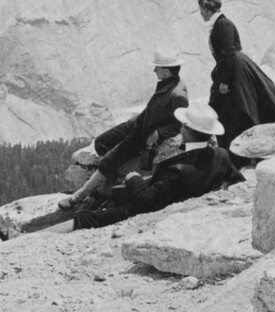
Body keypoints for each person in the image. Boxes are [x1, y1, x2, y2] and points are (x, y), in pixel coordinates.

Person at [47, 101, 244, 232]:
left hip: (147, 210)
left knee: (86, 218)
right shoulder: (222, 155)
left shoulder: (179, 170)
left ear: (189, 131)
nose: (181, 128)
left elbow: (145, 201)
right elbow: (238, 183)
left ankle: (37, 237)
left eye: (184, 126)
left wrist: (134, 179)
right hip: (174, 201)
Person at [57, 49, 188, 211]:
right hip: (138, 123)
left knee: (110, 160)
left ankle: (79, 196)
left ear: (166, 70)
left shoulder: (178, 95)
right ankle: (105, 188)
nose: (154, 70)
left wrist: (159, 133)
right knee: (101, 143)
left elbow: (178, 122)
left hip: (142, 134)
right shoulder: (169, 83)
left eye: (157, 68)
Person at [197, 0, 275, 160]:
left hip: (234, 70)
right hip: (233, 68)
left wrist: (224, 81)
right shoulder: (219, 23)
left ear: (206, 8)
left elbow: (230, 53)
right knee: (230, 106)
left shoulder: (223, 24)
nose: (200, 13)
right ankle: (233, 150)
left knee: (240, 108)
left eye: (201, 9)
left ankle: (240, 152)